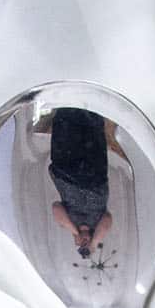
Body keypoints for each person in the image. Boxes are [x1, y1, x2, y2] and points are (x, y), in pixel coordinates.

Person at [47, 106, 112, 257]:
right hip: (95, 174)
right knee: (93, 128)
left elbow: (56, 207)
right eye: (87, 246)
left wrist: (75, 232)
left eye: (82, 247)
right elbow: (108, 219)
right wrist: (94, 243)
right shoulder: (98, 226)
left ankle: (67, 104)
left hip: (67, 172)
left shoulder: (69, 223)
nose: (85, 243)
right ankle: (92, 105)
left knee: (66, 125)